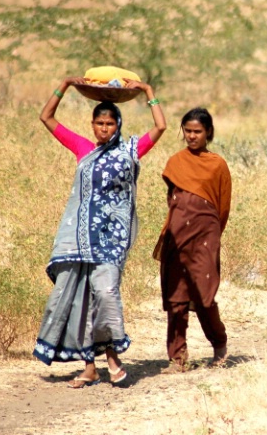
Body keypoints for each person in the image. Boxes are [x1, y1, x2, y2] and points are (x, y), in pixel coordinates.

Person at [33, 76, 166, 388]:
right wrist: (64, 85)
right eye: (99, 123)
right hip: (81, 240)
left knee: (105, 294)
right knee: (81, 297)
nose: (104, 128)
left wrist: (148, 92)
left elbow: (159, 128)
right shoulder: (82, 148)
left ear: (117, 125)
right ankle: (90, 367)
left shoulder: (131, 149)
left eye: (109, 123)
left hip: (111, 240)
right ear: (92, 125)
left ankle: (113, 358)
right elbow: (46, 118)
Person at [153, 107, 231, 373]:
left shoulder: (217, 164)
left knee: (204, 292)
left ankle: (219, 346)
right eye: (187, 131)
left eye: (197, 131)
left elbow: (223, 206)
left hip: (206, 234)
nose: (191, 136)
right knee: (177, 297)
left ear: (208, 132)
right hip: (178, 233)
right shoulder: (176, 161)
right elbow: (173, 199)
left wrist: (211, 234)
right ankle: (178, 358)